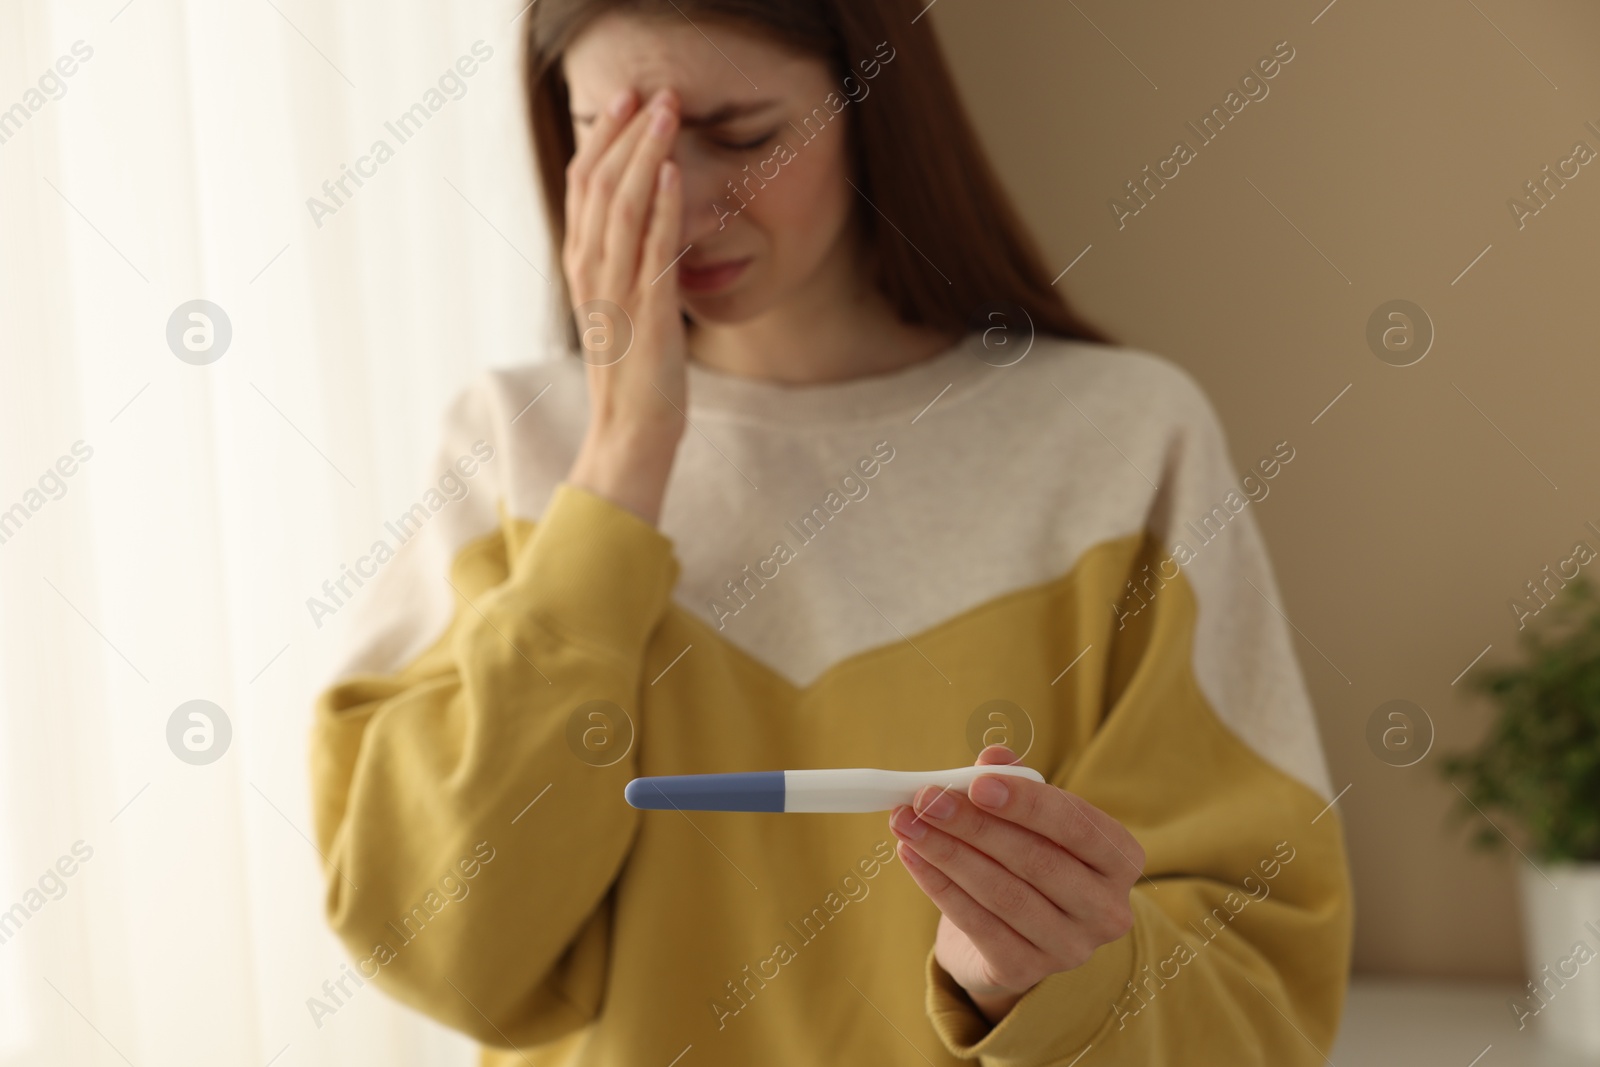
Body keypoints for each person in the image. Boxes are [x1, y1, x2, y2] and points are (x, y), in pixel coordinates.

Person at [307, 0, 1353, 1063]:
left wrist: (1029, 979)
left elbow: (1257, 994)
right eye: (613, 139)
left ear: (873, 103)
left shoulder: (1125, 442)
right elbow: (437, 946)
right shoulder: (507, 445)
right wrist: (620, 462)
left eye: (746, 135)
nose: (681, 200)